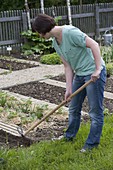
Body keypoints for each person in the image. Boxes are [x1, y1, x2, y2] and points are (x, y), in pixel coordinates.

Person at [31, 14, 106, 152]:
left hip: (93, 73)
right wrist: (69, 89)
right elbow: (67, 66)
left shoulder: (70, 32)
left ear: (42, 29)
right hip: (80, 73)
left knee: (95, 112)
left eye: (38, 33)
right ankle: (69, 136)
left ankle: (91, 145)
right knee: (73, 108)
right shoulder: (55, 42)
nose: (39, 36)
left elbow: (94, 45)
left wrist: (98, 69)